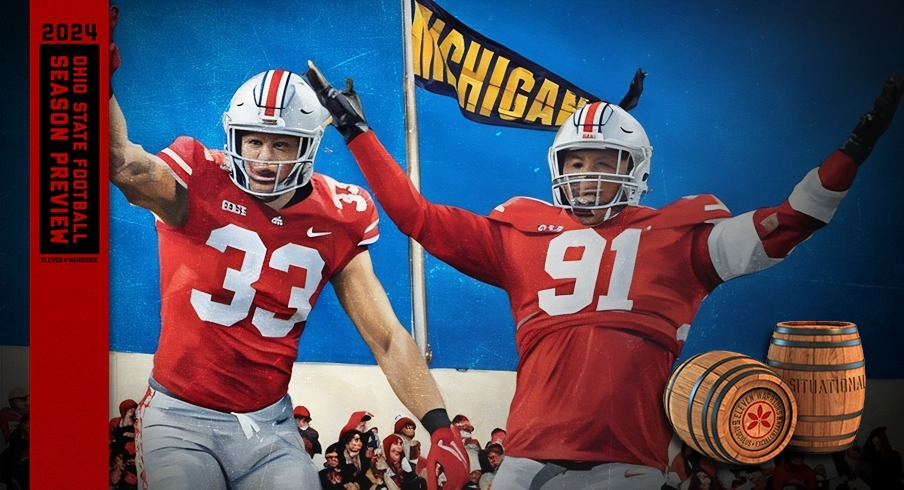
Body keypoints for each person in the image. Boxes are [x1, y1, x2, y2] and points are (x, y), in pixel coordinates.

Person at [305, 60, 903, 489]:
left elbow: (792, 222)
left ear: (636, 168)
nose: (589, 173)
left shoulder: (679, 238)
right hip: (526, 455)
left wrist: (854, 149)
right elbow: (416, 216)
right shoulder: (521, 233)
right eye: (577, 161)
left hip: (626, 460)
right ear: (557, 167)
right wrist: (358, 133)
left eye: (604, 161)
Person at [107, 11, 468, 488]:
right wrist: (95, 71)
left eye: (281, 144)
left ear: (310, 145)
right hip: (180, 418)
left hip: (271, 428)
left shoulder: (339, 212)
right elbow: (125, 166)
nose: (262, 159)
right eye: (253, 141)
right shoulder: (197, 177)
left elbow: (385, 335)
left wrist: (439, 425)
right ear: (233, 135)